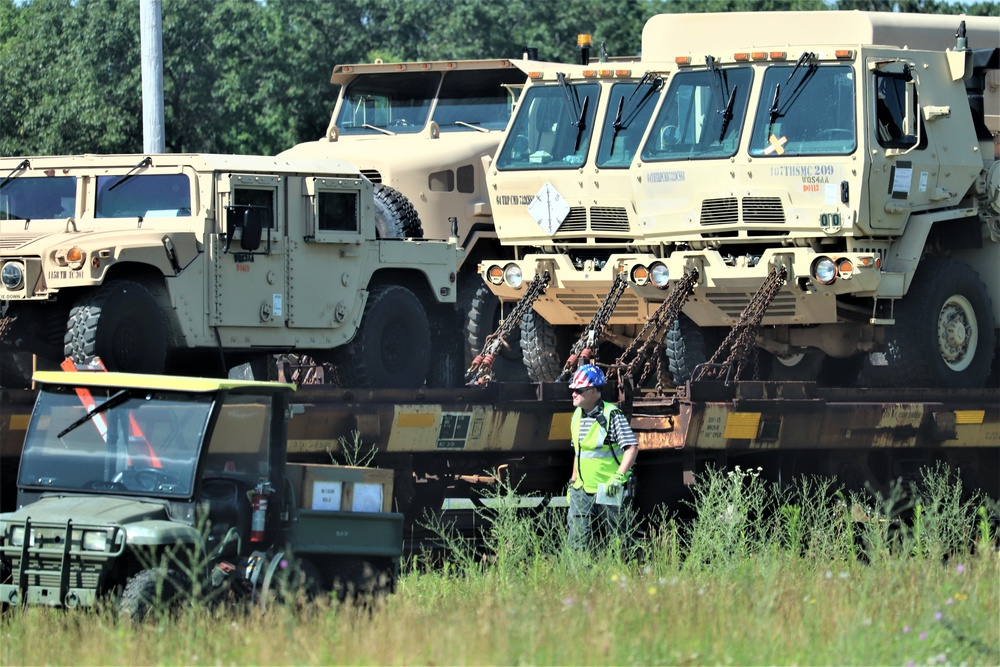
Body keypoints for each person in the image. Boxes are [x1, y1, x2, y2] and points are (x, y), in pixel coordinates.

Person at [566, 364, 638, 550]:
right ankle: (579, 577)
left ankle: (624, 575)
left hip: (608, 488)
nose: (573, 393)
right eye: (573, 389)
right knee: (577, 542)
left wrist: (618, 477)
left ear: (594, 391)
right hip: (581, 490)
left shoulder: (611, 415)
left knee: (619, 540)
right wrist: (573, 483)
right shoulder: (576, 416)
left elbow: (631, 447)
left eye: (579, 390)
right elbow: (579, 452)